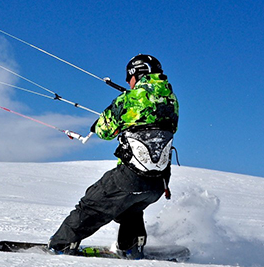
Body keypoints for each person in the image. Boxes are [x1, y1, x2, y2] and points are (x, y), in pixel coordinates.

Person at [47, 54, 179, 259]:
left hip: (131, 177)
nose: (128, 82)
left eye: (129, 77)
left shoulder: (130, 99)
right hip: (158, 184)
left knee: (92, 204)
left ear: (137, 73)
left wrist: (110, 116)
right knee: (130, 209)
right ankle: (131, 246)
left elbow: (104, 130)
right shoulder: (172, 101)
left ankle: (61, 244)